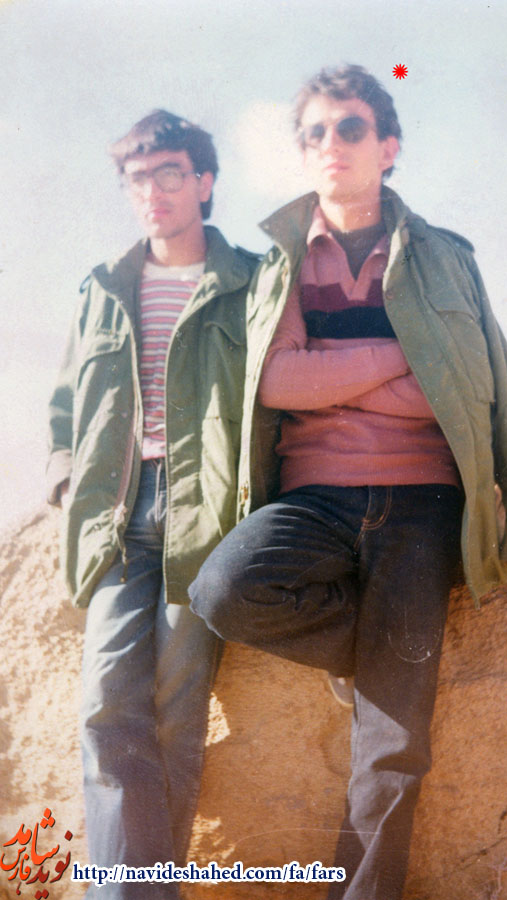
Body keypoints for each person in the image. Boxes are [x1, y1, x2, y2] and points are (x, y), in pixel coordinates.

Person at [188, 65, 507, 900]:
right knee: (224, 589)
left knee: (392, 744)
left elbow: (470, 384)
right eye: (313, 132)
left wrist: (335, 373)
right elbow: (276, 382)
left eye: (349, 127)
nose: (331, 145)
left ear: (387, 146)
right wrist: (400, 358)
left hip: (424, 502)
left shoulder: (442, 259)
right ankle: (381, 659)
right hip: (312, 498)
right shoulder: (279, 264)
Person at [47, 109, 257, 898]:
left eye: (169, 174)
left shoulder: (249, 280)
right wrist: (67, 480)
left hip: (205, 513)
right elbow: (66, 406)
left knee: (175, 708)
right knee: (107, 704)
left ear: (203, 182)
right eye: (137, 179)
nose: (152, 192)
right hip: (119, 511)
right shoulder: (103, 287)